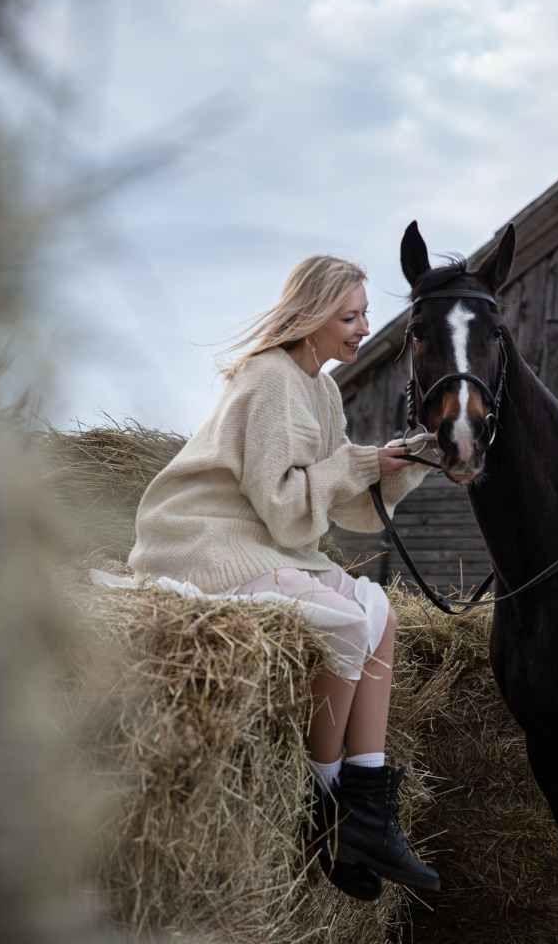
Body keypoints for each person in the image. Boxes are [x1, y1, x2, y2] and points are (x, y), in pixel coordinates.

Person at [126, 254, 440, 900]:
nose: (362, 327)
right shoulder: (269, 379)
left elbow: (340, 507)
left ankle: (369, 808)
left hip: (271, 542)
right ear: (315, 317)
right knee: (347, 625)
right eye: (350, 316)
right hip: (207, 543)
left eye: (364, 315)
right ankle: (322, 808)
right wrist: (359, 463)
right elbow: (282, 502)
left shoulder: (322, 391)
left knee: (380, 613)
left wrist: (405, 463)